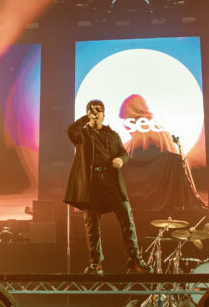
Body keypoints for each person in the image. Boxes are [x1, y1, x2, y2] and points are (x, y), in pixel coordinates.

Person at [64, 99, 152, 275]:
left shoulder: (112, 135)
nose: (95, 113)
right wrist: (86, 118)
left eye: (98, 110)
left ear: (104, 114)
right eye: (91, 110)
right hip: (91, 184)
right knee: (92, 225)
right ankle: (95, 263)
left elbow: (123, 153)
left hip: (112, 181)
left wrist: (121, 160)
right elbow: (70, 131)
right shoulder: (82, 134)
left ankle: (134, 259)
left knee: (127, 218)